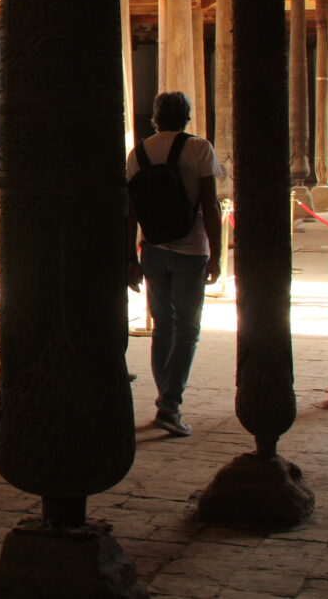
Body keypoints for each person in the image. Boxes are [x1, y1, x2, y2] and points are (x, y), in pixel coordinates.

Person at [126, 91, 222, 437]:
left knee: (163, 327)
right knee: (188, 329)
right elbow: (210, 205)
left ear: (155, 117)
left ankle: (165, 398)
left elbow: (131, 210)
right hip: (190, 249)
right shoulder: (199, 148)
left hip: (152, 249)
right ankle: (170, 404)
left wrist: (130, 259)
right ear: (187, 116)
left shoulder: (139, 152)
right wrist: (217, 254)